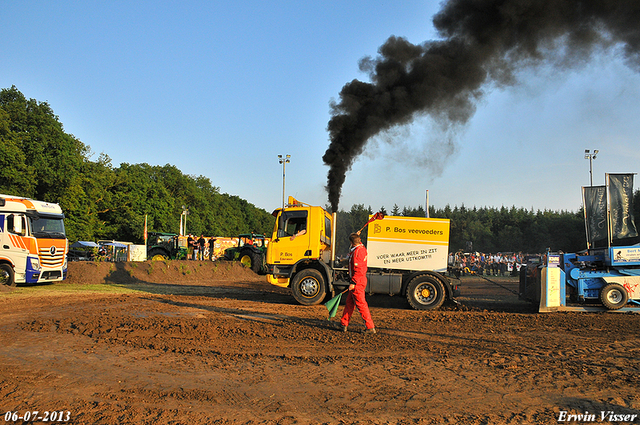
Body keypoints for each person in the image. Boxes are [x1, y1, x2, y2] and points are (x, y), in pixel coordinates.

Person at [339, 233, 376, 334]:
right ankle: (343, 324)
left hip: (357, 281)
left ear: (351, 243)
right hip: (359, 280)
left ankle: (370, 327)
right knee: (349, 303)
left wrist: (353, 282)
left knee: (361, 305)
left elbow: (359, 270)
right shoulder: (361, 248)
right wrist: (355, 235)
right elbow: (355, 241)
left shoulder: (357, 252)